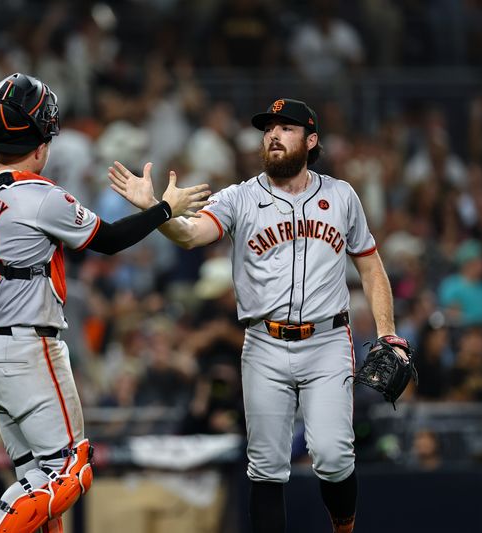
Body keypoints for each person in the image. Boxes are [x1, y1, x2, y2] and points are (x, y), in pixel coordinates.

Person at [0, 72, 209, 533]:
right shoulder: (39, 197)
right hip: (31, 350)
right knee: (71, 470)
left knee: (37, 483)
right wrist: (164, 209)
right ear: (42, 138)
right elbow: (108, 241)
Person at [109, 98, 409, 533]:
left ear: (311, 140)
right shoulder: (239, 197)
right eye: (269, 127)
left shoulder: (341, 195)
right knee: (266, 466)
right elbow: (192, 235)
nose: (273, 134)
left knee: (333, 455)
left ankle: (344, 529)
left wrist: (388, 333)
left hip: (327, 340)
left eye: (286, 128)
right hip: (263, 343)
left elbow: (370, 266)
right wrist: (157, 211)